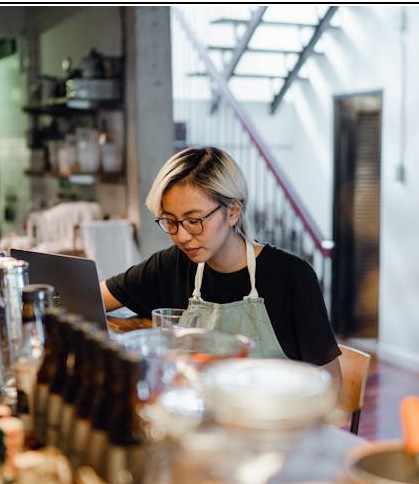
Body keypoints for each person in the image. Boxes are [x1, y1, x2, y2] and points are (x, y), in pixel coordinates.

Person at [100, 146, 341, 377]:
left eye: (194, 220)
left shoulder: (290, 276)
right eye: (170, 221)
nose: (182, 237)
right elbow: (91, 297)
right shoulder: (171, 265)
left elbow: (331, 385)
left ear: (233, 211)